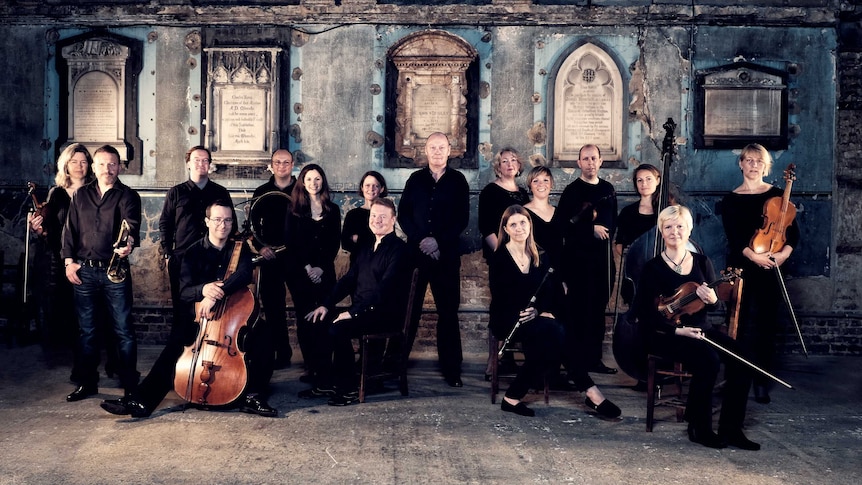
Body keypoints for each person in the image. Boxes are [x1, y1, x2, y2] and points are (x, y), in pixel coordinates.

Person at [100, 200, 277, 418]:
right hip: (201, 320)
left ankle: (254, 396)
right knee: (176, 343)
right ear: (207, 221)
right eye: (218, 219)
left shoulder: (240, 249)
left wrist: (216, 293)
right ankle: (141, 401)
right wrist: (204, 290)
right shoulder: (193, 252)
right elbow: (184, 292)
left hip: (233, 319)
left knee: (266, 336)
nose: (223, 225)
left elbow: (244, 275)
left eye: (228, 220)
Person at [633, 205, 759, 450]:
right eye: (668, 226)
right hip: (666, 333)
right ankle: (698, 427)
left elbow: (710, 307)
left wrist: (712, 300)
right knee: (708, 361)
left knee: (744, 358)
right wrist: (677, 331)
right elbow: (644, 313)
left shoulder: (702, 261)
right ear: (661, 231)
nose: (674, 231)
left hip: (701, 330)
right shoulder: (652, 268)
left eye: (680, 226)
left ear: (689, 229)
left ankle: (731, 428)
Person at [490, 205, 621, 418]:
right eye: (513, 224)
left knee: (550, 341)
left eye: (523, 222)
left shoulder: (540, 254)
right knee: (557, 333)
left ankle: (512, 398)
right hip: (508, 318)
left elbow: (549, 292)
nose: (519, 227)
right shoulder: (499, 258)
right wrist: (524, 313)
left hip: (535, 318)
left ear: (530, 225)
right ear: (505, 228)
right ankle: (591, 392)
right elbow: (500, 296)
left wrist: (540, 310)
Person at [304, 197, 409, 406]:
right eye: (374, 216)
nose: (377, 220)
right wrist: (326, 304)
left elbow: (384, 291)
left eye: (383, 217)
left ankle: (348, 387)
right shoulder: (367, 246)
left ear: (393, 220)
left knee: (338, 329)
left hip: (384, 314)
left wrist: (353, 312)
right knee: (317, 321)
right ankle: (327, 382)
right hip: (362, 310)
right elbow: (348, 280)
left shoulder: (399, 250)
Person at [721, 144, 799, 405]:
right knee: (738, 325)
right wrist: (754, 256)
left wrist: (783, 255)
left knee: (766, 324)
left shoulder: (779, 195)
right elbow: (734, 238)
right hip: (743, 266)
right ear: (741, 164)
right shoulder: (731, 199)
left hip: (772, 266)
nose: (754, 165)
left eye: (759, 161)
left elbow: (793, 234)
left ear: (766, 167)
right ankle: (735, 376)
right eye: (749, 160)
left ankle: (761, 381)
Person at [61, 145, 141, 402]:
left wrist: (128, 245)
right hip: (84, 272)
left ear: (120, 167)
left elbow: (132, 226)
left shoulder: (128, 196)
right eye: (102, 164)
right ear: (94, 167)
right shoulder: (81, 195)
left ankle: (130, 384)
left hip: (114, 271)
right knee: (87, 331)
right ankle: (87, 383)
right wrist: (69, 262)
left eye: (113, 164)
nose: (107, 169)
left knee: (123, 330)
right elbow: (70, 230)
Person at [398, 132, 470, 387]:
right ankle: (397, 365)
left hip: (446, 256)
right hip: (416, 257)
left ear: (449, 151)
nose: (437, 151)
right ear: (425, 151)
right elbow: (403, 216)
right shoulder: (415, 179)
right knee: (409, 311)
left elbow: (462, 218)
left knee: (448, 313)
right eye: (432, 147)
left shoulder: (459, 181)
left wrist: (438, 241)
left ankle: (452, 370)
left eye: (442, 147)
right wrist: (423, 241)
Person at [158, 146, 234, 344]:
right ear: (188, 163)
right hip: (182, 259)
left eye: (205, 160)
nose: (201, 164)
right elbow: (165, 223)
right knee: (183, 308)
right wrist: (167, 253)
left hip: (212, 259)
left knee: (213, 304)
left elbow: (230, 223)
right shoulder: (176, 192)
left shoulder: (220, 192)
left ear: (210, 165)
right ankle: (181, 351)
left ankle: (209, 348)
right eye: (197, 160)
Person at [555, 144, 618, 374]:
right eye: (585, 158)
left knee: (598, 311)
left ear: (601, 161)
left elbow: (613, 223)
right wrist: (589, 230)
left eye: (594, 158)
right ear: (579, 163)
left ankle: (594, 360)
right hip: (578, 261)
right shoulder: (572, 191)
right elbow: (562, 226)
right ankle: (575, 361)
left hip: (602, 261)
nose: (590, 162)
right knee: (578, 311)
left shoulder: (609, 188)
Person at [285, 163, 341, 386]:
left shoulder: (333, 210)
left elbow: (334, 243)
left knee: (326, 315)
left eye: (317, 179)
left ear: (323, 181)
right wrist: (308, 268)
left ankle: (325, 364)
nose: (313, 183)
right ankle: (311, 366)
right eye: (309, 179)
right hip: (300, 273)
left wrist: (321, 268)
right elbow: (291, 243)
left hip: (325, 272)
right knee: (306, 318)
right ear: (302, 182)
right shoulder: (294, 209)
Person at [251, 148, 297, 369]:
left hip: (297, 257)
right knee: (273, 308)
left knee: (305, 305)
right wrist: (261, 248)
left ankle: (313, 357)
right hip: (270, 257)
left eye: (286, 162)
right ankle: (282, 354)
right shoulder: (261, 191)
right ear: (272, 165)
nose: (282, 166)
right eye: (277, 162)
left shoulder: (302, 190)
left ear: (292, 164)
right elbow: (251, 225)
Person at [478, 148, 529, 261]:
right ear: (498, 167)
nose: (510, 164)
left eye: (513, 160)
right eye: (504, 161)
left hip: (522, 254)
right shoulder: (490, 191)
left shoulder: (523, 193)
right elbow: (486, 227)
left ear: (519, 165)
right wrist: (502, 254)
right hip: (500, 254)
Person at [613, 163, 661, 257]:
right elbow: (619, 243)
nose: (644, 184)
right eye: (640, 180)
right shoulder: (627, 212)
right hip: (635, 264)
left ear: (658, 180)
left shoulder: (667, 210)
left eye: (649, 179)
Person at [341, 171, 388, 263]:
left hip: (380, 263)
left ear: (381, 189)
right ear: (362, 188)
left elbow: (386, 241)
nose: (371, 189)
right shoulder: (352, 214)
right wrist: (372, 238)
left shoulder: (385, 214)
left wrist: (359, 238)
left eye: (376, 186)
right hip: (358, 264)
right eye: (367, 185)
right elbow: (345, 243)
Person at [523, 166, 563, 269]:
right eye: (536, 181)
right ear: (530, 186)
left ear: (551, 184)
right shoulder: (523, 213)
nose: (541, 184)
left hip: (557, 273)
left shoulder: (559, 213)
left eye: (545, 180)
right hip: (533, 273)